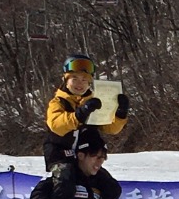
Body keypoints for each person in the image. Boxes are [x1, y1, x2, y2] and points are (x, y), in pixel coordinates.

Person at [44, 53, 129, 187]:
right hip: (61, 156)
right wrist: (80, 114)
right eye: (75, 79)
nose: (80, 84)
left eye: (84, 80)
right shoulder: (58, 102)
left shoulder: (94, 101)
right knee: (66, 182)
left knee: (111, 188)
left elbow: (111, 128)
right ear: (66, 80)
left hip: (85, 158)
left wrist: (120, 114)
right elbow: (56, 125)